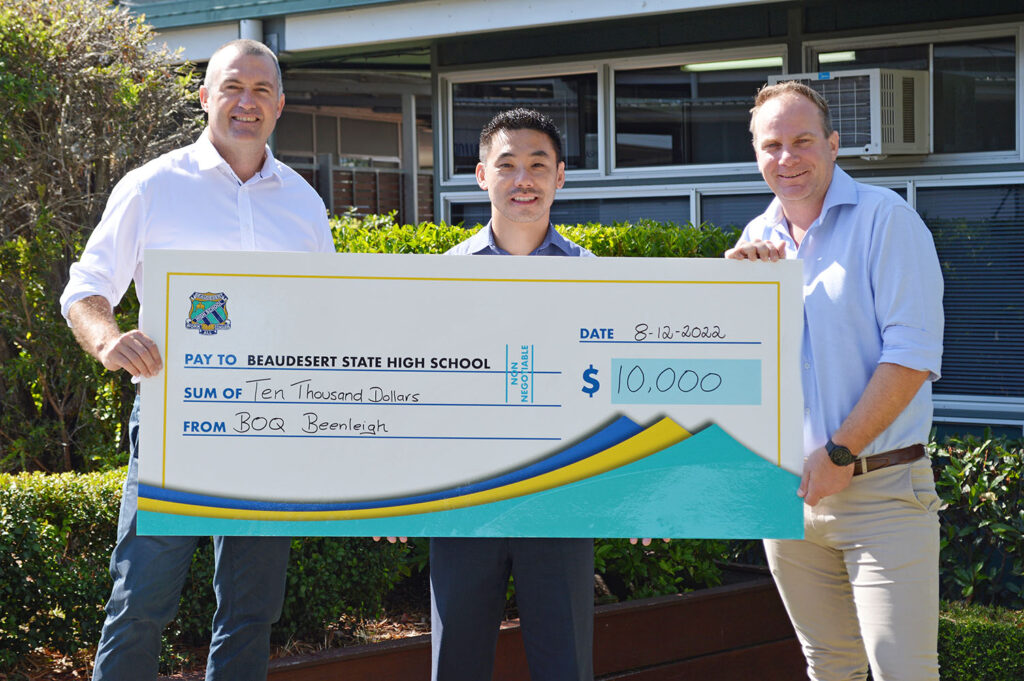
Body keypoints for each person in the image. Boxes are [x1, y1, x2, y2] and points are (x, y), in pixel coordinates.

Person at [60, 39, 334, 680]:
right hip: (173, 430)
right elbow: (86, 288)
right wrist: (108, 340)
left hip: (270, 430)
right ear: (206, 97)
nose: (247, 102)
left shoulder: (302, 203)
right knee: (141, 599)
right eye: (233, 87)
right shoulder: (153, 187)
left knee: (251, 610)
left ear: (280, 106)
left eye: (262, 90)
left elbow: (326, 314)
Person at [725, 81, 943, 681]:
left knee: (904, 671)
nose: (787, 158)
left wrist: (840, 451)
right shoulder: (754, 239)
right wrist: (728, 296)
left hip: (882, 492)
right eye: (772, 145)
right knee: (829, 669)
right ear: (756, 153)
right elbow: (738, 371)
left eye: (802, 141)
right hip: (788, 501)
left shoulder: (886, 219)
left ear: (834, 143)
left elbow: (912, 354)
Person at [431, 108, 594, 681]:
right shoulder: (440, 278)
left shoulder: (596, 277)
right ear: (481, 176)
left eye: (538, 164)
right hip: (464, 503)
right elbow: (419, 390)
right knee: (456, 662)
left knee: (565, 664)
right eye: (507, 165)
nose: (523, 179)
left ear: (560, 177)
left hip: (563, 497)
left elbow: (616, 386)